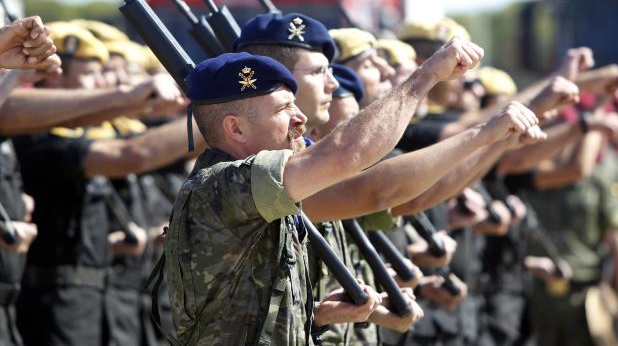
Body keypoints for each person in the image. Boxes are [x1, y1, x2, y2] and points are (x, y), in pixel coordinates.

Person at [165, 29, 485, 344]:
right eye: (283, 109)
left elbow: (247, 313)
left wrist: (319, 315)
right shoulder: (220, 186)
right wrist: (427, 76)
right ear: (235, 128)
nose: (300, 118)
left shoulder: (262, 192)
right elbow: (349, 155)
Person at [13, 22, 203, 346]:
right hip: (57, 305)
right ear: (54, 77)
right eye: (93, 74)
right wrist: (226, 116)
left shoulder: (96, 132)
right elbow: (133, 154)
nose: (102, 83)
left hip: (111, 305)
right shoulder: (34, 137)